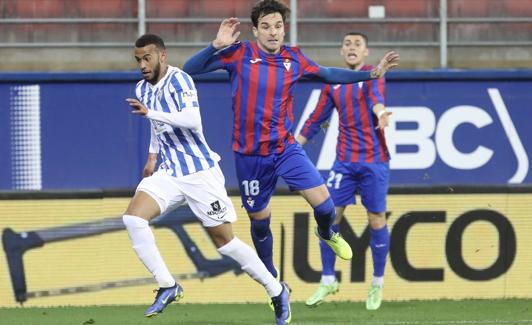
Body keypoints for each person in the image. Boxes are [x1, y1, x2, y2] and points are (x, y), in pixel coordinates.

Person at [183, 0, 398, 306]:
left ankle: (327, 234)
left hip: (285, 148)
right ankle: (273, 281)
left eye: (279, 26)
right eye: (267, 26)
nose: (274, 32)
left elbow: (328, 74)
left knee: (326, 206)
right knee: (259, 222)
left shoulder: (294, 58)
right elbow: (190, 70)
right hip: (250, 156)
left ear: (285, 28)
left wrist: (371, 74)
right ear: (255, 30)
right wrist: (216, 45)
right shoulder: (239, 54)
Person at [122, 33, 291, 325]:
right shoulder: (142, 88)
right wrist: (152, 156)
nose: (142, 65)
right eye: (138, 60)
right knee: (133, 219)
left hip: (199, 172)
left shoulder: (181, 80)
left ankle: (276, 290)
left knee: (225, 243)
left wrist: (152, 112)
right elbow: (155, 124)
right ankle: (167, 285)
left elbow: (192, 120)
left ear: (162, 55)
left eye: (147, 58)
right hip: (170, 171)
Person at [297, 32, 391, 310]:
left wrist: (381, 112)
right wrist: (291, 146)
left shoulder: (372, 75)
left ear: (365, 52)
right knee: (328, 218)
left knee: (376, 219)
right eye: (347, 44)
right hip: (344, 162)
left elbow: (376, 95)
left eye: (357, 44)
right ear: (342, 51)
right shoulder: (333, 82)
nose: (352, 48)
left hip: (374, 161)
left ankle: (377, 284)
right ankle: (328, 279)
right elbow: (316, 118)